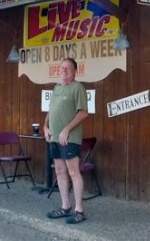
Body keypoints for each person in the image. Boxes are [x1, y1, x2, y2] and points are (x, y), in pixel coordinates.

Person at [43, 58, 89, 224]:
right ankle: (65, 206)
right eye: (61, 68)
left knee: (73, 172)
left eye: (67, 68)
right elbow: (51, 110)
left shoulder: (78, 88)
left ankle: (79, 210)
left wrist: (67, 130)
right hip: (54, 138)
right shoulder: (57, 88)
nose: (63, 70)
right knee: (60, 171)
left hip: (69, 139)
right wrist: (45, 127)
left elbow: (83, 113)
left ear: (75, 71)